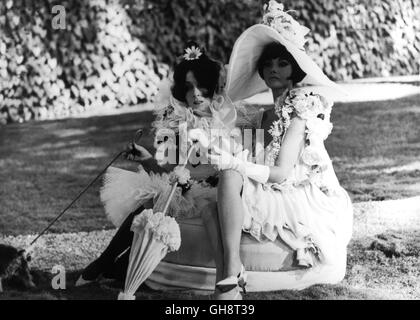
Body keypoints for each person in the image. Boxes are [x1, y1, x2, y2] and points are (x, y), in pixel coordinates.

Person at [190, 1, 353, 299]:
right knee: (209, 208)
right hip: (267, 186)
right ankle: (227, 282)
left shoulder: (301, 110)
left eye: (281, 63)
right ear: (261, 73)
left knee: (229, 175)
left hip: (293, 193)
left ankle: (229, 277)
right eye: (268, 65)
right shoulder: (261, 116)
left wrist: (234, 165)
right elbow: (226, 134)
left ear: (295, 69)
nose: (273, 70)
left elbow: (279, 173)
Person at [75, 42, 239, 286]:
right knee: (152, 201)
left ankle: (116, 266)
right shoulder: (178, 124)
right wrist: (146, 158)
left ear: (214, 87)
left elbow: (229, 167)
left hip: (214, 191)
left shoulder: (227, 121)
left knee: (163, 202)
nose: (195, 93)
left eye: (201, 85)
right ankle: (106, 261)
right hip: (182, 187)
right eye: (188, 87)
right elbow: (169, 174)